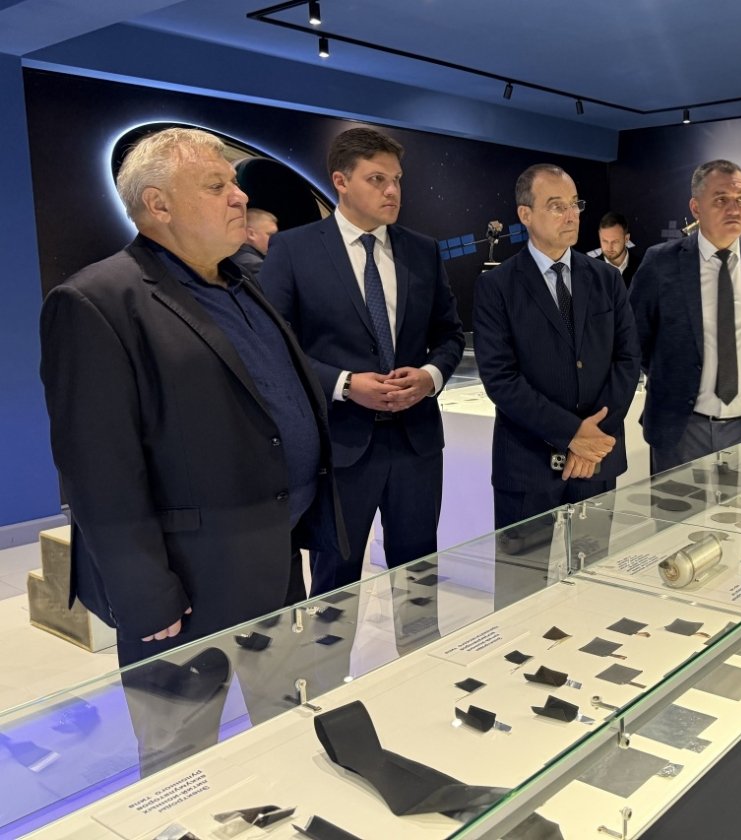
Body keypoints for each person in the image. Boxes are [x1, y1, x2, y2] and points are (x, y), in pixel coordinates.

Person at [40, 127, 343, 667]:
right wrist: (144, 592)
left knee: (284, 710)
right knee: (183, 720)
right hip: (187, 585)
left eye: (234, 183)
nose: (240, 196)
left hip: (276, 552)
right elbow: (97, 470)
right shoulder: (96, 301)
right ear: (158, 205)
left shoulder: (243, 283)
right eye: (216, 185)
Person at [261, 126, 465, 594]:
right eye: (377, 179)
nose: (393, 191)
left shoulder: (422, 250)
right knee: (336, 587)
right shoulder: (294, 250)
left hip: (416, 445)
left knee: (418, 582)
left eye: (397, 180)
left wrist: (430, 376)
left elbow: (450, 334)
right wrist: (345, 384)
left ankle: (420, 646)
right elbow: (273, 347)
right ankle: (331, 650)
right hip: (340, 445)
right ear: (341, 181)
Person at [475, 164, 640, 530]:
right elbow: (501, 379)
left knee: (592, 564)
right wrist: (571, 434)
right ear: (525, 215)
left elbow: (628, 359)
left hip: (597, 460)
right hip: (527, 465)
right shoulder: (497, 286)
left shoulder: (607, 279)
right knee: (524, 568)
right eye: (556, 206)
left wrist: (593, 438)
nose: (571, 215)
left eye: (575, 203)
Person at [630, 159, 741, 474]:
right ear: (696, 207)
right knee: (676, 507)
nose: (734, 209)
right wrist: (674, 376)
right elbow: (636, 338)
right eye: (721, 200)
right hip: (681, 428)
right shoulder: (661, 262)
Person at [587, 211, 639, 287]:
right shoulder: (589, 272)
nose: (609, 247)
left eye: (615, 241)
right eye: (605, 241)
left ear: (626, 239)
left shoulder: (642, 268)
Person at [229, 207, 278, 282]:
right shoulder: (254, 264)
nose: (276, 239)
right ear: (251, 234)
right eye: (271, 234)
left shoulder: (235, 255)